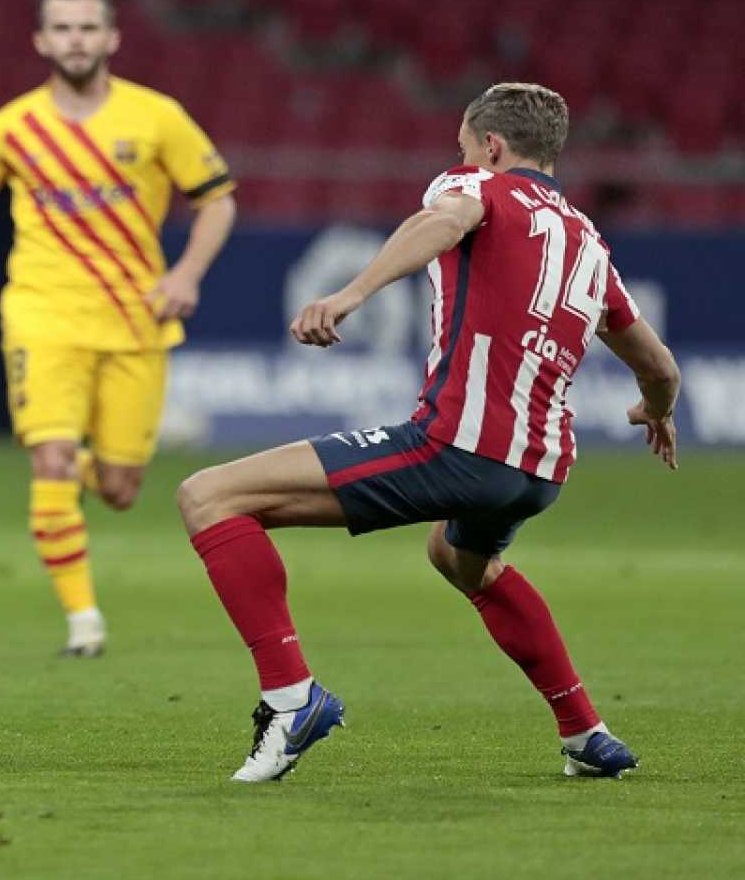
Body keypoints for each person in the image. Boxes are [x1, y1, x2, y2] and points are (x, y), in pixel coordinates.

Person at [175, 83, 676, 781]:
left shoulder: (479, 184)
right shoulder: (588, 243)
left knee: (209, 496)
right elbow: (659, 365)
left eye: (465, 145)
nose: (461, 157)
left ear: (491, 146)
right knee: (459, 557)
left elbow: (440, 222)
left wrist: (351, 294)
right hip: (539, 470)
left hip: (457, 447)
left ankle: (292, 700)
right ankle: (586, 733)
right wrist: (656, 409)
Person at [0, 0, 238, 657]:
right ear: (41, 41)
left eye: (88, 28)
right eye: (62, 29)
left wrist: (185, 274)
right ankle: (84, 624)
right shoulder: (11, 125)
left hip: (134, 319)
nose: (76, 40)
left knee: (119, 487)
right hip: (42, 314)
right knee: (52, 459)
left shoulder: (156, 117)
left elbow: (218, 200)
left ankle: (84, 470)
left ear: (111, 38)